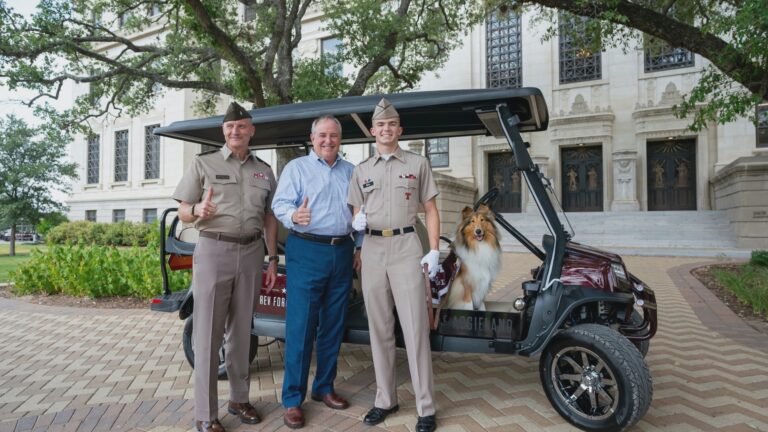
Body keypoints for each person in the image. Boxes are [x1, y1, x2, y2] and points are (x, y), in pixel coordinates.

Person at [173, 102, 278, 432]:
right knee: (208, 333)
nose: (236, 131)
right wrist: (197, 211)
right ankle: (206, 414)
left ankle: (239, 398)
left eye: (242, 126)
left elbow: (269, 217)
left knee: (241, 332)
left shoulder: (264, 170)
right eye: (230, 127)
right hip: (214, 250)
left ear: (251, 130)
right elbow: (183, 210)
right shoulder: (204, 163)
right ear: (224, 131)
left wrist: (272, 258)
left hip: (251, 252)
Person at [348, 98, 441, 432]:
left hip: (405, 247)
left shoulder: (417, 164)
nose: (386, 129)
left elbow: (430, 209)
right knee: (380, 329)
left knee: (415, 328)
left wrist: (433, 250)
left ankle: (425, 407)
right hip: (372, 248)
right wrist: (355, 221)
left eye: (392, 125)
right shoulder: (361, 170)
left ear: (399, 130)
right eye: (380, 125)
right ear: (373, 131)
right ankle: (385, 399)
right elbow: (354, 211)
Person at [271, 115, 362, 429]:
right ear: (312, 139)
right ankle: (293, 399)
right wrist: (294, 214)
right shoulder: (297, 169)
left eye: (333, 135)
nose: (328, 140)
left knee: (333, 325)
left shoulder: (351, 172)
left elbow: (359, 213)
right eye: (322, 135)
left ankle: (324, 386)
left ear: (340, 139)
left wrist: (359, 245)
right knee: (302, 326)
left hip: (342, 251)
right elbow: (279, 205)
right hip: (307, 250)